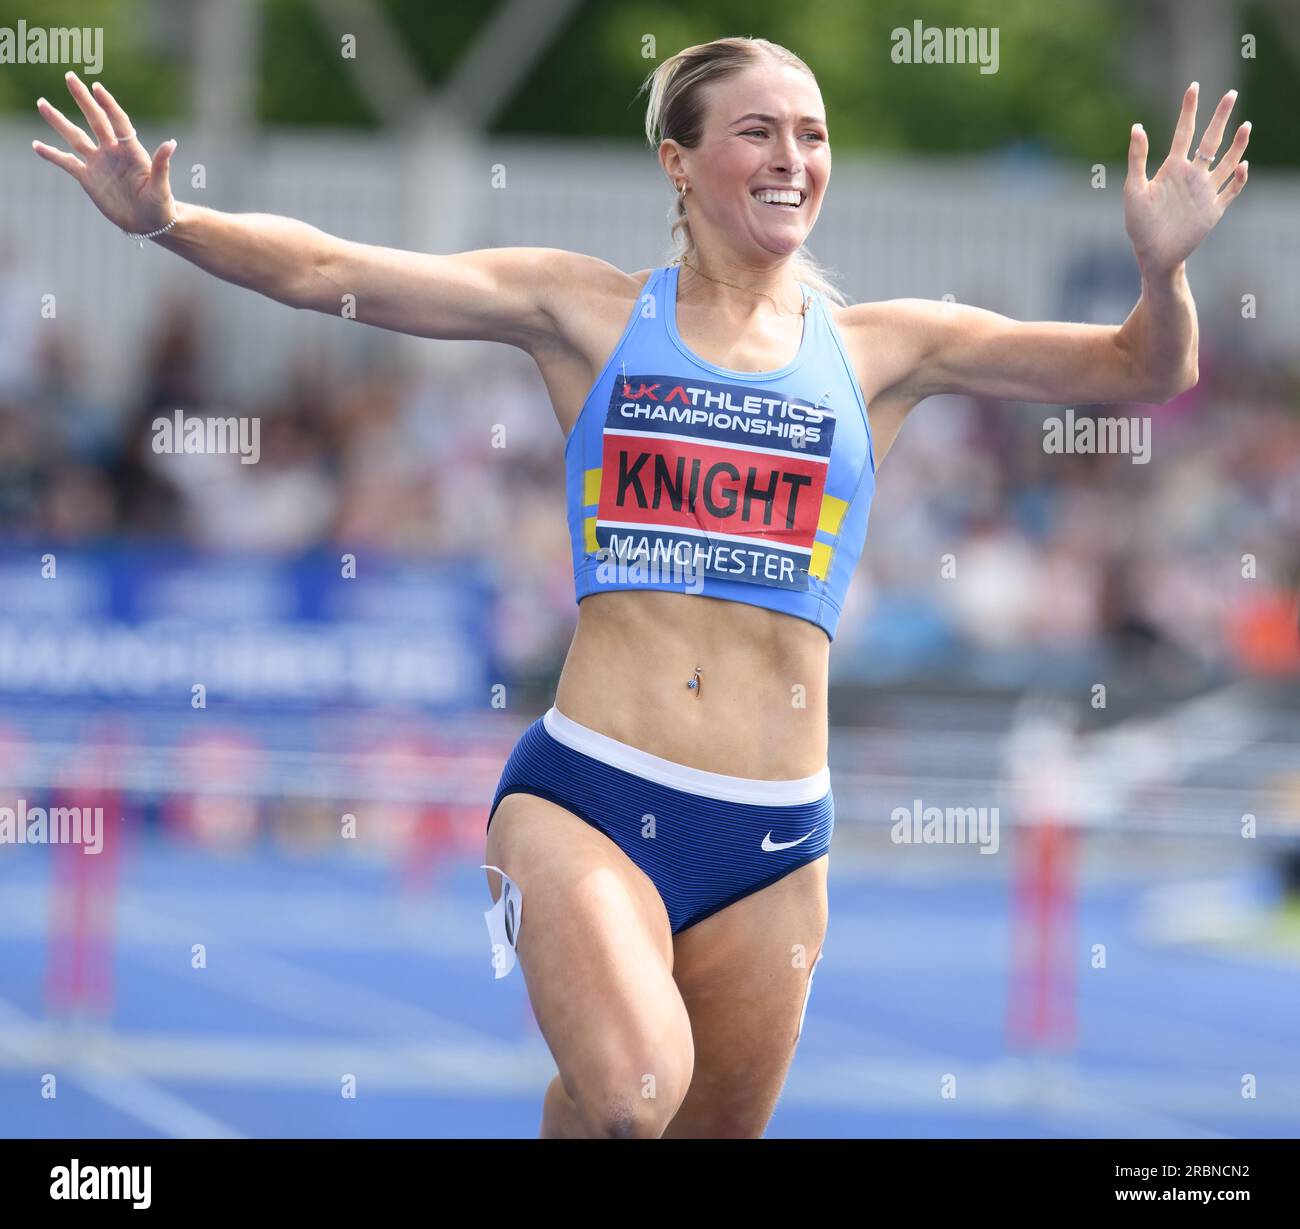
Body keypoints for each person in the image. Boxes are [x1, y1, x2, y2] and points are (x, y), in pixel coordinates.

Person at [33, 36, 1250, 1139]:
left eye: (813, 133)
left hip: (776, 838)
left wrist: (1165, 269)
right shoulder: (587, 312)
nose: (793, 157)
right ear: (679, 162)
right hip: (594, 796)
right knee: (629, 1097)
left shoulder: (886, 344)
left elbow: (1143, 371)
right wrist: (168, 220)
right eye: (758, 130)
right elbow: (335, 268)